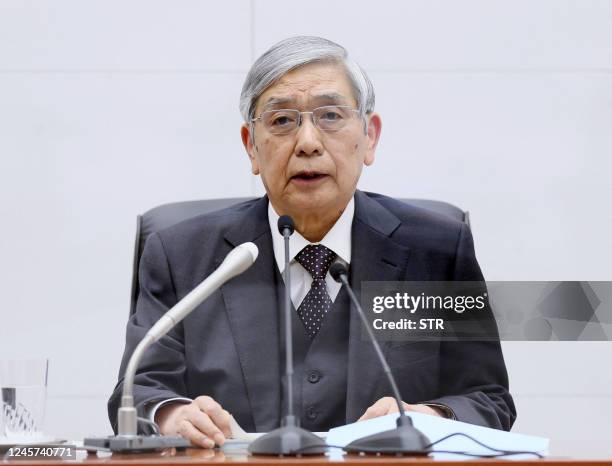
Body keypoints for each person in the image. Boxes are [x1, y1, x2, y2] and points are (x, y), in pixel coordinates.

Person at [108, 36, 516, 448]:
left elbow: (488, 400)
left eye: (331, 116)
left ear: (369, 137)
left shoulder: (436, 251)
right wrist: (174, 415)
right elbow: (138, 391)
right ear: (251, 146)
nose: (307, 143)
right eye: (282, 120)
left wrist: (429, 418)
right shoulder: (182, 256)